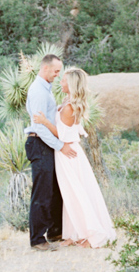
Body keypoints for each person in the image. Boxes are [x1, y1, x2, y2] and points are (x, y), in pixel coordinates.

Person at [32, 67, 116, 249]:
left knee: (76, 193)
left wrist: (45, 122)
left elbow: (61, 135)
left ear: (71, 84)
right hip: (67, 153)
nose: (60, 82)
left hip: (67, 154)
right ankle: (74, 233)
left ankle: (91, 234)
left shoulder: (70, 107)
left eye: (63, 80)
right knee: (69, 194)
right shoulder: (67, 102)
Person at [24, 54, 76, 250]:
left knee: (55, 189)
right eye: (55, 71)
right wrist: (60, 145)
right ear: (45, 68)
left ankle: (55, 231)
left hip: (47, 144)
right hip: (39, 143)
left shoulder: (46, 89)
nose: (57, 74)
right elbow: (40, 127)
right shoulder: (38, 91)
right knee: (42, 192)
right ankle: (37, 239)